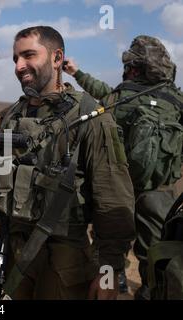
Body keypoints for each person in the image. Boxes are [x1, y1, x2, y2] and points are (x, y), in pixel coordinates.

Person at [0, 25, 136, 300]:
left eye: (28, 55)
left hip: (65, 260)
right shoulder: (11, 116)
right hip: (13, 251)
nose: (19, 66)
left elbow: (114, 200)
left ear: (57, 59)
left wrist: (109, 271)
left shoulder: (92, 118)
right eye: (15, 59)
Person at [64, 35, 183, 300]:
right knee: (155, 251)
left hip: (121, 188)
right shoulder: (176, 100)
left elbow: (99, 92)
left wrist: (76, 73)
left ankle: (108, 287)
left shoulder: (122, 95)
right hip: (160, 191)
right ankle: (151, 292)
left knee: (110, 245)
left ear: (134, 68)